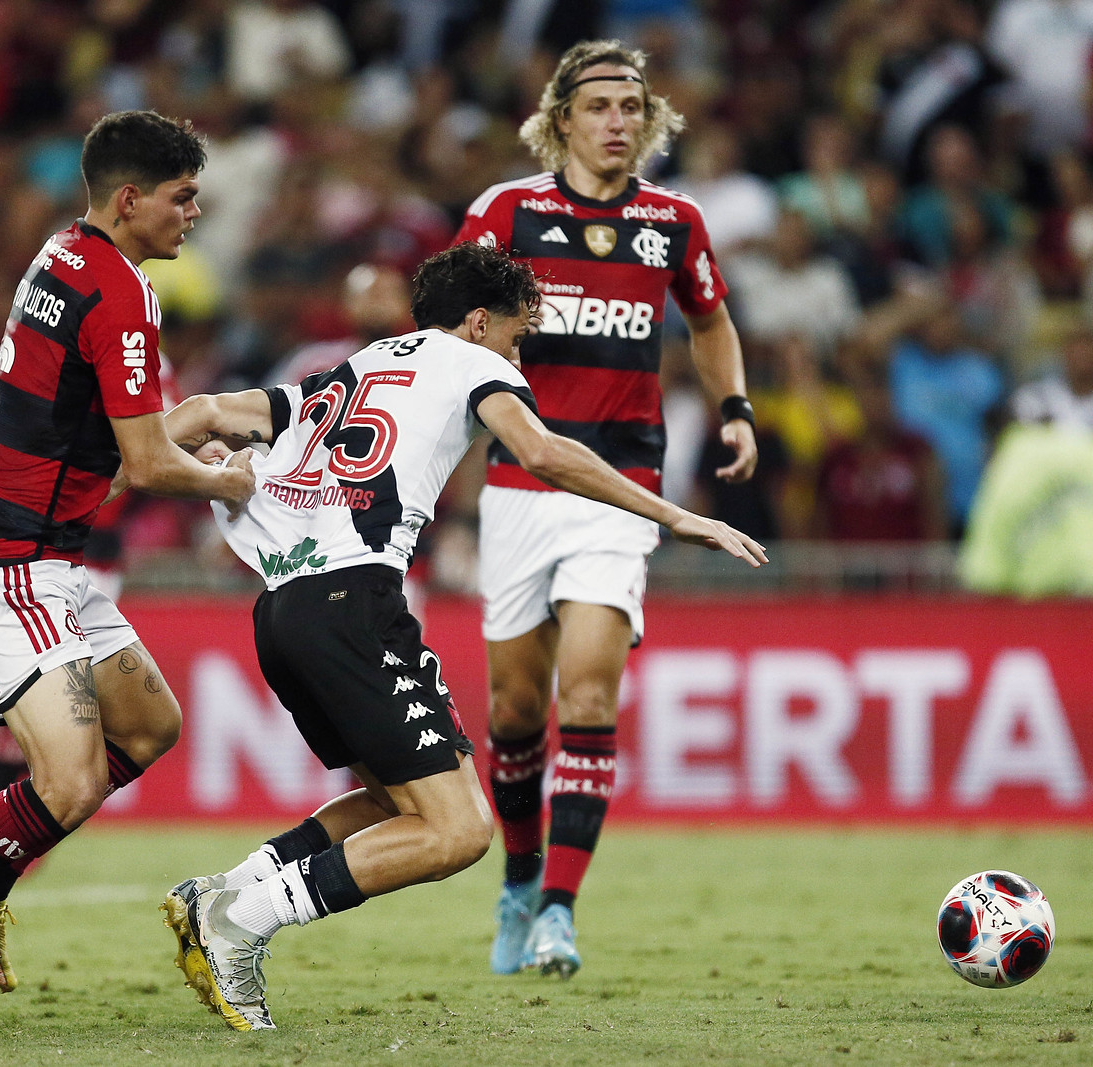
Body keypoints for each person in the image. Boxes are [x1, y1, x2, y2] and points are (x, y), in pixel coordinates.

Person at [155, 242, 767, 1031]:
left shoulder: (357, 365)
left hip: (283, 607)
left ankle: (222, 890)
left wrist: (128, 468)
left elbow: (205, 413)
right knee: (457, 832)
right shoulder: (472, 363)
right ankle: (243, 919)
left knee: (391, 799)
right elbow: (542, 451)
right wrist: (675, 514)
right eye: (517, 335)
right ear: (480, 322)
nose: (521, 353)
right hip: (354, 601)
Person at [0, 110, 255, 1034]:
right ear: (130, 198)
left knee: (150, 728)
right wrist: (227, 478)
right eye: (183, 197)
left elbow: (104, 437)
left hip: (43, 553)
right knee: (67, 783)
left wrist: (202, 417)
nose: (195, 212)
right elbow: (147, 466)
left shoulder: (63, 254)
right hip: (9, 564)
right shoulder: (123, 294)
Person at [453, 39, 758, 978]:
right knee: (512, 712)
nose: (618, 122)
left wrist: (734, 409)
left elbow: (708, 320)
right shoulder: (505, 213)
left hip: (621, 488)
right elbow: (451, 328)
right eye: (599, 107)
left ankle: (558, 910)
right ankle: (518, 873)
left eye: (632, 106)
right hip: (517, 481)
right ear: (560, 120)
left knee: (586, 692)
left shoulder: (675, 221)